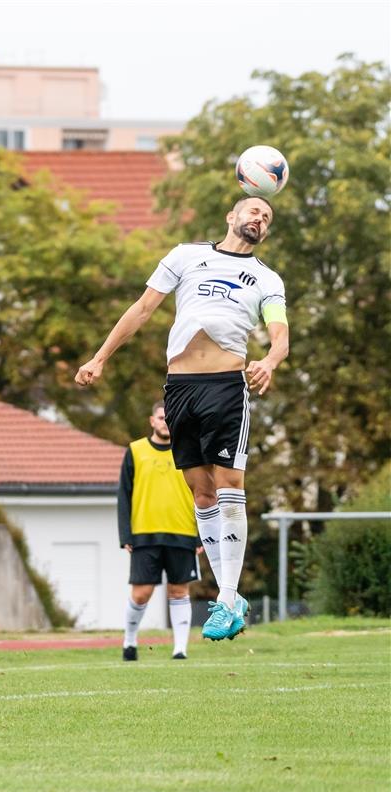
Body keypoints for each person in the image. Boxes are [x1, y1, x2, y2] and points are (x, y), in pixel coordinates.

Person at [76, 195, 290, 642]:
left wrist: (269, 361)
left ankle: (227, 598)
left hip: (227, 387)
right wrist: (99, 358)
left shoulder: (267, 279)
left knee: (230, 483)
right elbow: (141, 309)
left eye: (267, 217)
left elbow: (279, 336)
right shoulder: (186, 256)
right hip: (179, 389)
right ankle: (230, 600)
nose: (259, 218)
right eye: (253, 210)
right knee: (201, 492)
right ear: (231, 216)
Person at [118, 400, 201, 661]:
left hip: (183, 532)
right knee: (141, 593)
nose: (165, 422)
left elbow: (203, 492)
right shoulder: (135, 450)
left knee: (179, 591)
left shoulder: (188, 450)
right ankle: (129, 642)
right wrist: (125, 535)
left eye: (169, 418)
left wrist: (202, 534)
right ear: (152, 420)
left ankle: (180, 650)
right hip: (145, 533)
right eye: (161, 417)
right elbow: (124, 495)